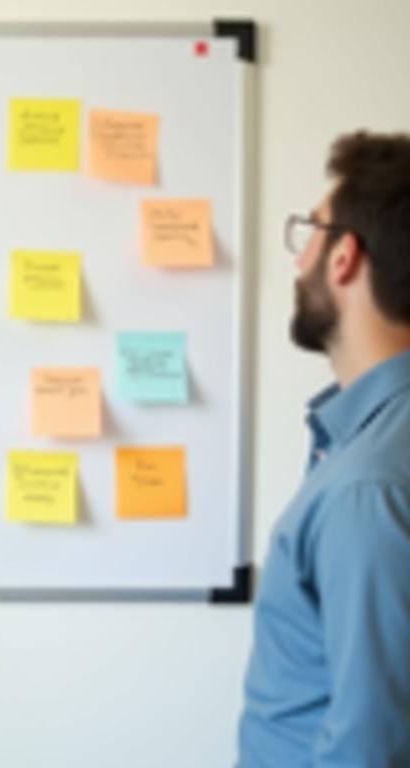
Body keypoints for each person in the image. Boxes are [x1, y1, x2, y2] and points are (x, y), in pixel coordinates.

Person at [238, 131, 410, 766]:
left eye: (311, 232)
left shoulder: (368, 488)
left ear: (345, 258)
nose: (298, 258)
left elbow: (373, 745)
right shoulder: (373, 450)